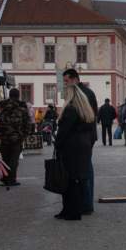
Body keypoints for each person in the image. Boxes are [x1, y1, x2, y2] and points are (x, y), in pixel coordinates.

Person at [55, 79, 96, 220]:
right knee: (78, 179)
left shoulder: (71, 109)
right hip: (83, 147)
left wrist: (57, 144)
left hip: (71, 148)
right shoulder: (85, 109)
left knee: (70, 180)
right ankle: (75, 209)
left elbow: (64, 131)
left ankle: (71, 211)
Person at [0, 88, 30, 186]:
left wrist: (1, 132)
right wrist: (23, 135)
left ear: (9, 95)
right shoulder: (22, 107)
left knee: (5, 158)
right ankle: (11, 180)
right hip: (17, 138)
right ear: (18, 96)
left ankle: (5, 178)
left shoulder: (2, 106)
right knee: (14, 160)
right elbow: (27, 124)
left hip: (4, 137)